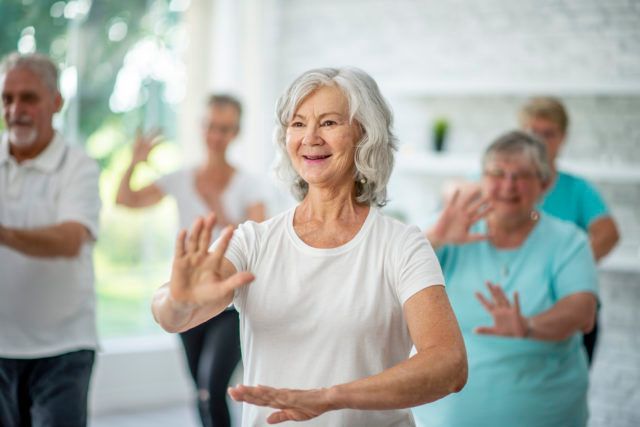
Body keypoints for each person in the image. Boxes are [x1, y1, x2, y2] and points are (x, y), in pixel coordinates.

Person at [152, 67, 468, 426]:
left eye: (329, 122)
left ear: (365, 133)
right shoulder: (253, 241)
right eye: (298, 124)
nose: (310, 137)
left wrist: (330, 398)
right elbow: (170, 315)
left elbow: (450, 364)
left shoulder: (401, 245)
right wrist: (178, 299)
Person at [412, 131, 598, 427]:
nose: (509, 185)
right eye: (497, 173)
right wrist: (437, 237)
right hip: (444, 415)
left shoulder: (568, 241)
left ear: (545, 184)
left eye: (522, 175)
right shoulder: (447, 228)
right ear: (481, 178)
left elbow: (582, 311)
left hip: (546, 412)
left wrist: (528, 326)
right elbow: (385, 271)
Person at [116, 94, 266, 427]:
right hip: (187, 297)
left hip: (230, 303)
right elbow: (125, 199)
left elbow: (261, 240)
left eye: (225, 129)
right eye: (211, 126)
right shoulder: (180, 178)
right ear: (201, 128)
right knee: (199, 390)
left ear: (236, 132)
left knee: (213, 387)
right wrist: (135, 160)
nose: (216, 136)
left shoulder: (249, 185)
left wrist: (219, 206)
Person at [0, 52, 101, 427]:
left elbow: (71, 239)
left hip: (63, 348)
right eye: (7, 99)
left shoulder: (79, 166)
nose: (15, 110)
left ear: (56, 102)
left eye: (28, 98)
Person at [519, 96, 619, 364]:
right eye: (532, 133)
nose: (539, 141)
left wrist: (571, 266)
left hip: (568, 311)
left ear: (562, 138)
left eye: (548, 134)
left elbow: (608, 234)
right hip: (519, 311)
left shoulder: (577, 189)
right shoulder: (503, 185)